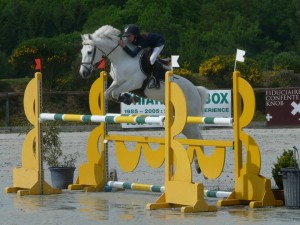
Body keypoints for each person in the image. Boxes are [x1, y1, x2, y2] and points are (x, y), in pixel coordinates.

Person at [118, 24, 165, 88]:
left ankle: (156, 81)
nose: (127, 38)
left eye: (129, 36)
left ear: (135, 35)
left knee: (152, 59)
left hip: (158, 43)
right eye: (126, 36)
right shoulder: (134, 39)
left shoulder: (141, 41)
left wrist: (124, 46)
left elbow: (133, 54)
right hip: (150, 43)